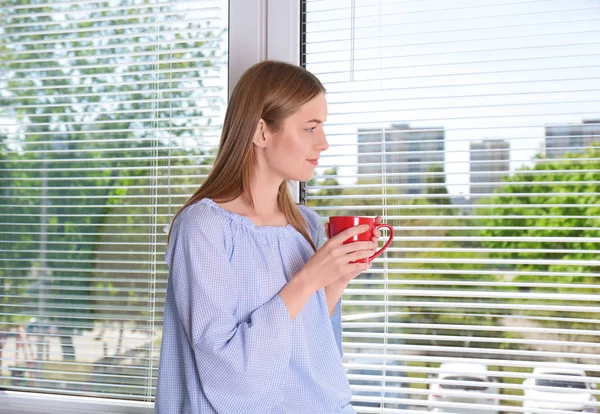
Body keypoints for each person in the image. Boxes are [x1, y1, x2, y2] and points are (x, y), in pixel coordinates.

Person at [155, 60, 381, 414]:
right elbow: (226, 373)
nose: (324, 143)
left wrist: (336, 280)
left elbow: (313, 348)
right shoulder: (202, 226)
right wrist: (308, 280)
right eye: (310, 128)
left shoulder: (305, 223)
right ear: (261, 132)